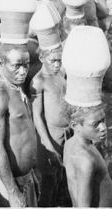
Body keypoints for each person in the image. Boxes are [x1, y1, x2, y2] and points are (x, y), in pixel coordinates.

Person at [0, 42, 39, 207]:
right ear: (1, 63)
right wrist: (12, 192)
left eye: (26, 65)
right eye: (17, 66)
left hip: (24, 177)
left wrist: (32, 170)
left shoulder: (17, 87)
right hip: (9, 181)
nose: (23, 71)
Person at [30, 45, 72, 207]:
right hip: (49, 137)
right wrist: (49, 146)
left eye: (59, 61)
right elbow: (37, 116)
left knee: (61, 176)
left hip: (66, 134)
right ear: (41, 58)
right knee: (48, 181)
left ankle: (59, 201)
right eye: (53, 61)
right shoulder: (38, 81)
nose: (57, 64)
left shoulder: (60, 74)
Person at [63, 104, 112, 207]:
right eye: (95, 124)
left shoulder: (70, 143)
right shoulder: (86, 161)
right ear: (75, 126)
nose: (103, 128)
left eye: (103, 120)